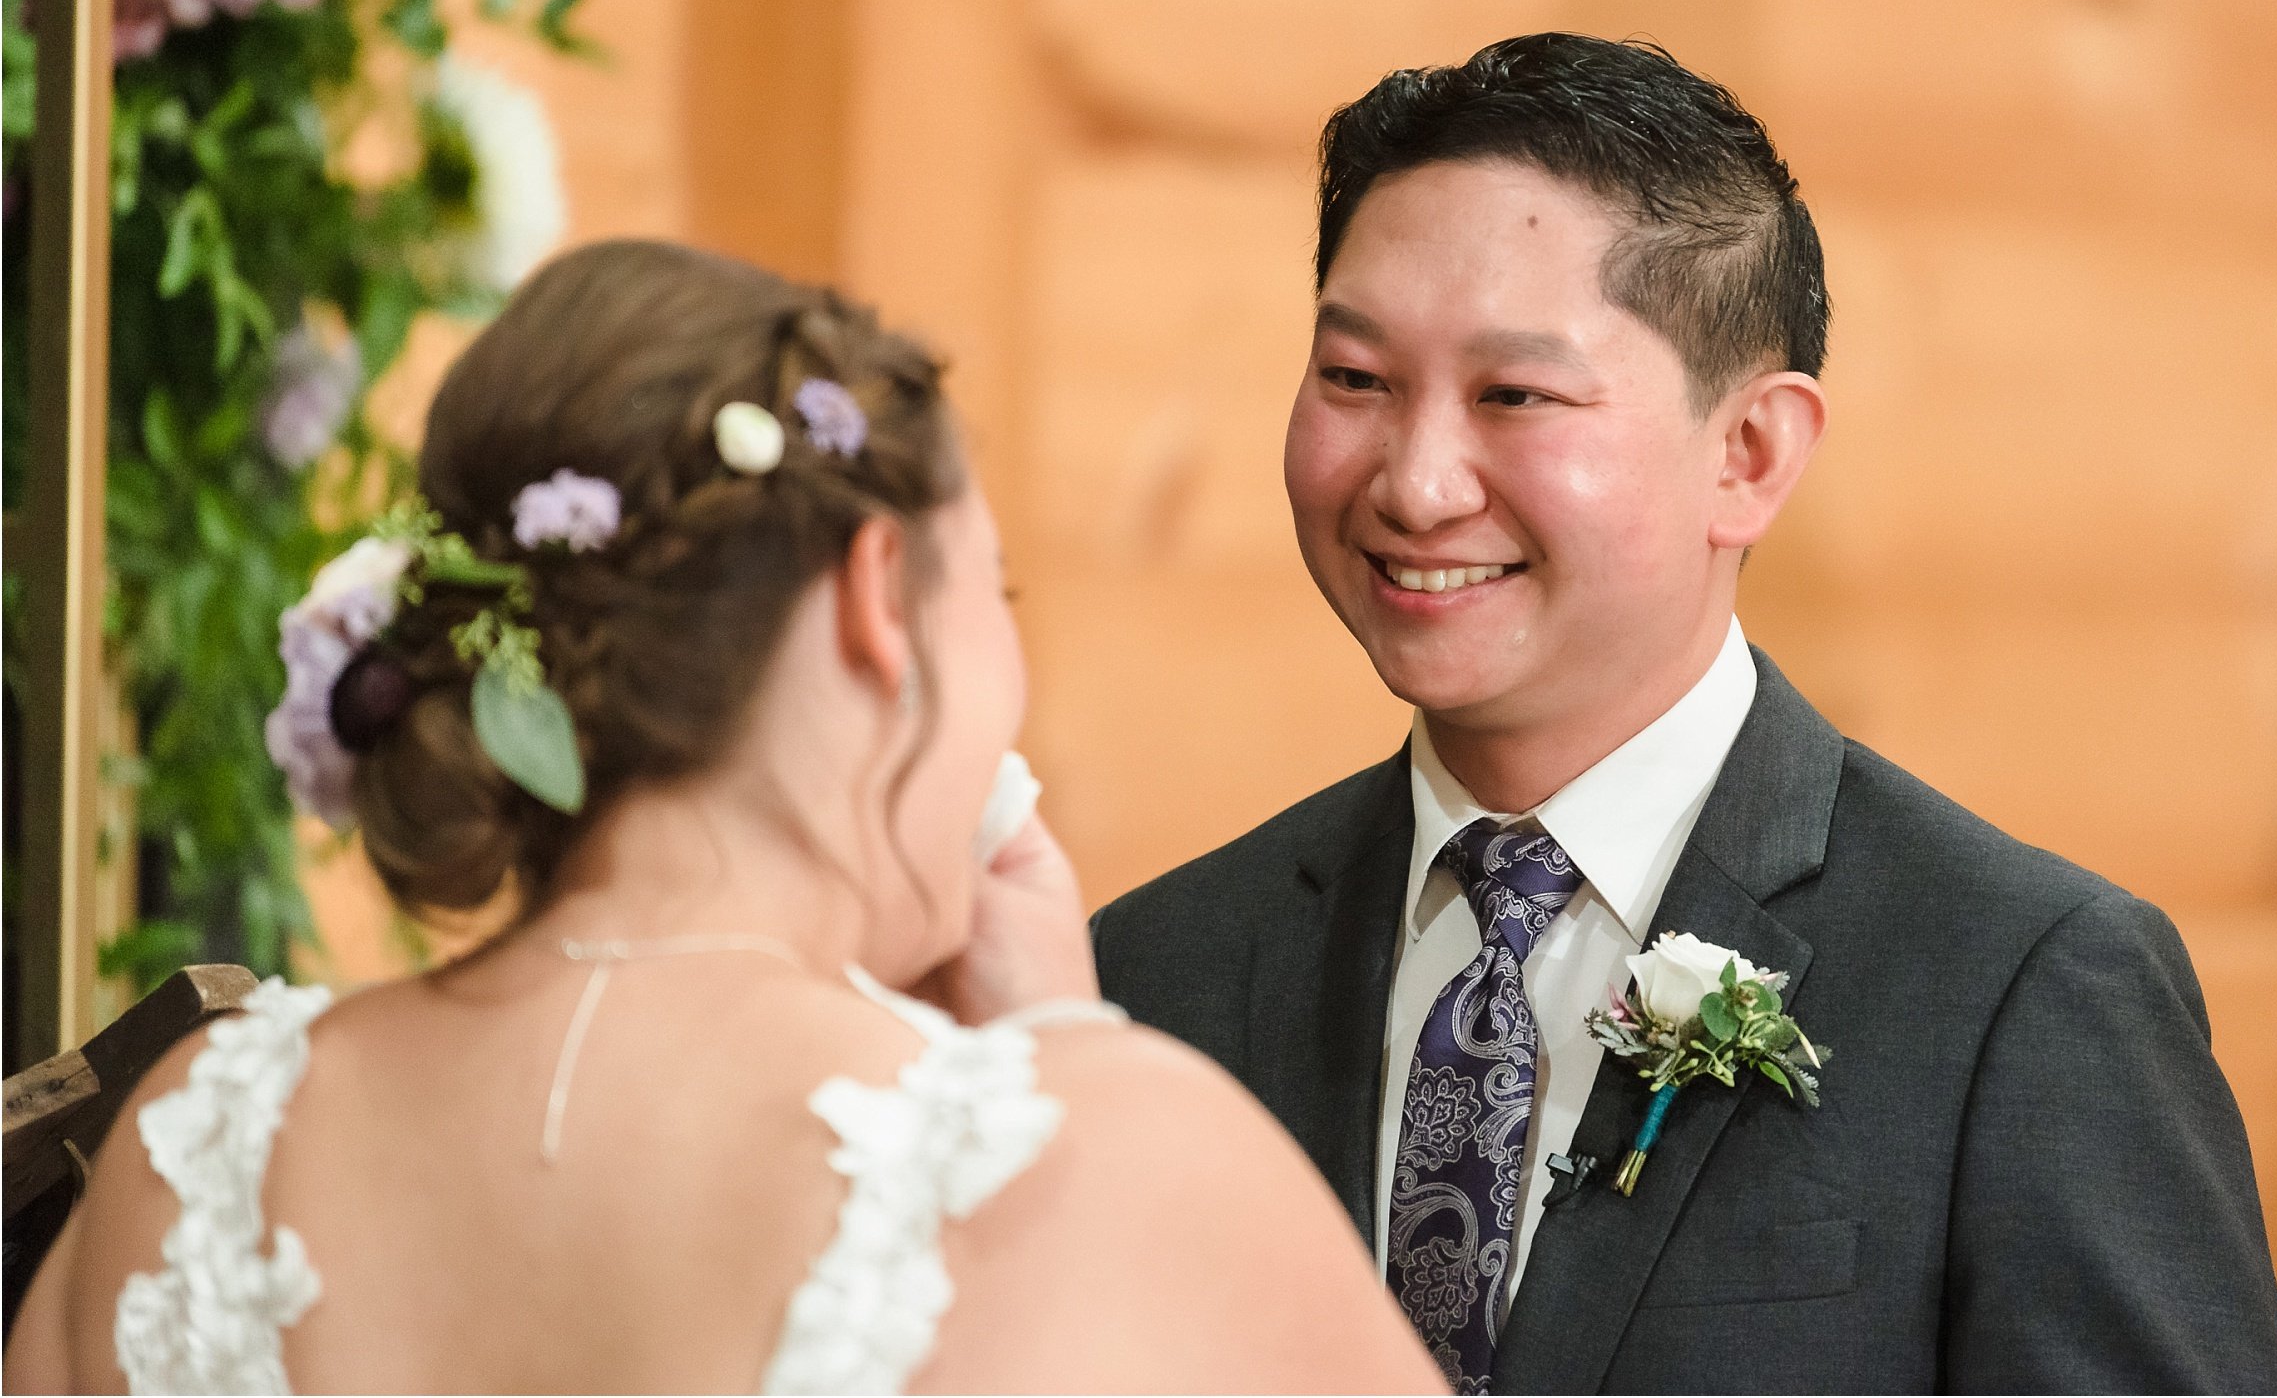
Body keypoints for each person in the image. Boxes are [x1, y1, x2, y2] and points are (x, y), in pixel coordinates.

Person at [4, 241, 1441, 1395]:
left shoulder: (195, 1141)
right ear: (879, 598)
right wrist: (1064, 1068)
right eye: (988, 594)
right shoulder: (1109, 1157)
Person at [1093, 34, 2277, 1394]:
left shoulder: (2023, 993)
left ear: (1749, 454)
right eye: (1357, 380)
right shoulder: (1152, 978)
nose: (1416, 483)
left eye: (1515, 396)